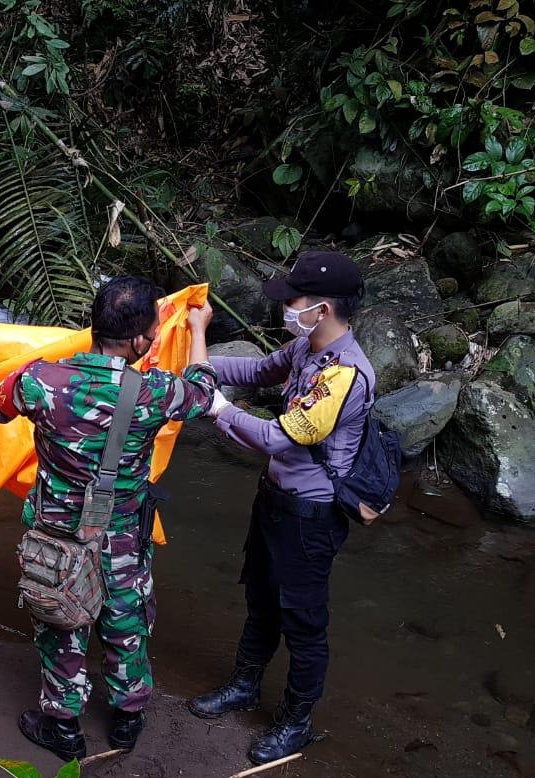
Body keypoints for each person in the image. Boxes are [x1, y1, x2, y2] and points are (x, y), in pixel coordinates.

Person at [0, 277, 219, 761]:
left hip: (57, 538)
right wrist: (199, 329)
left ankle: (62, 728)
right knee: (126, 620)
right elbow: (204, 391)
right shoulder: (154, 391)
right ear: (140, 341)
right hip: (123, 536)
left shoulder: (41, 381)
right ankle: (127, 720)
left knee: (62, 621)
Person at [188, 250, 375, 764]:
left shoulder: (345, 377)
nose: (286, 307)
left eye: (293, 300)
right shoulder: (304, 346)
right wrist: (196, 362)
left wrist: (218, 406)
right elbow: (255, 369)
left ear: (324, 308)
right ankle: (244, 687)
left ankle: (296, 720)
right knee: (262, 599)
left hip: (311, 516)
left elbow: (278, 437)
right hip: (274, 501)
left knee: (305, 622)